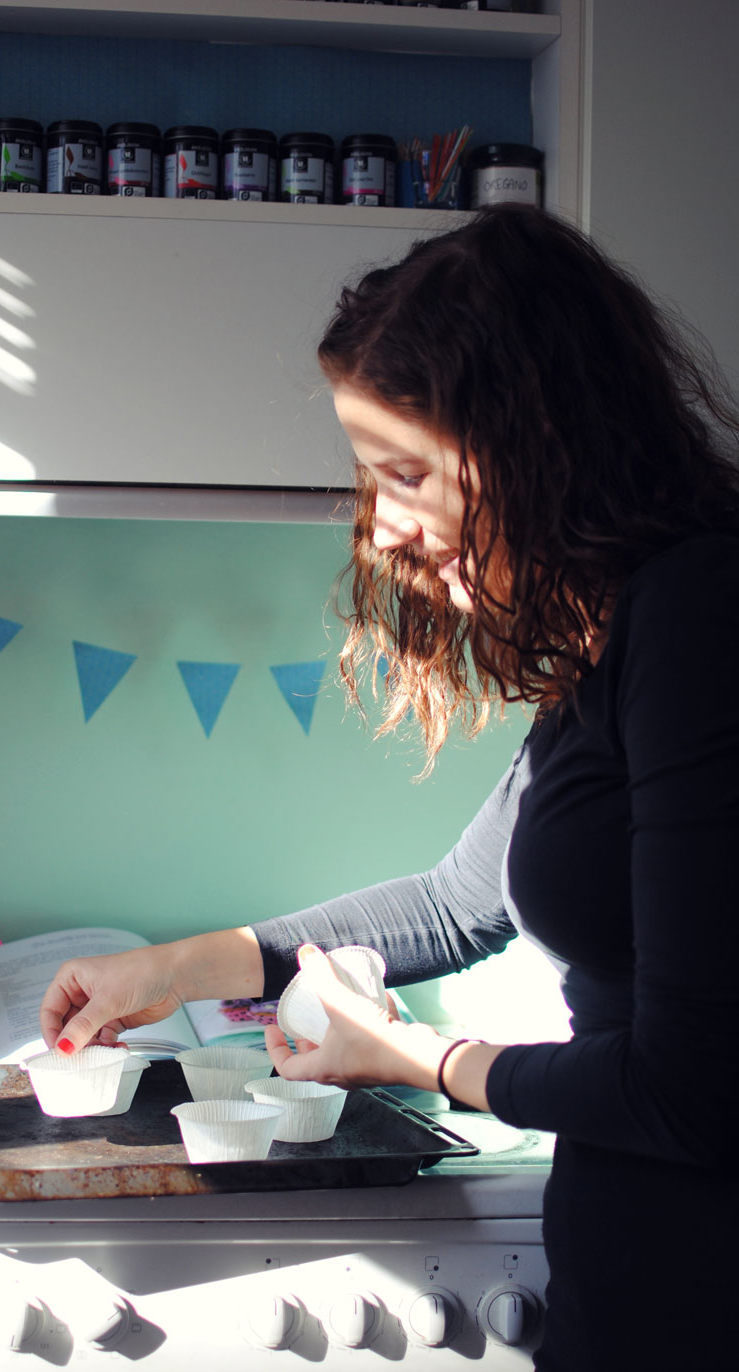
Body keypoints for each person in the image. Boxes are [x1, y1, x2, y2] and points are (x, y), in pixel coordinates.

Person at [39, 205, 739, 1370]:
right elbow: (457, 901)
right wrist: (169, 968)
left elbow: (695, 1086)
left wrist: (421, 1061)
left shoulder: (698, 616)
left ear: (538, 438)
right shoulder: (617, 633)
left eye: (407, 473)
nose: (391, 529)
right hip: (636, 1281)